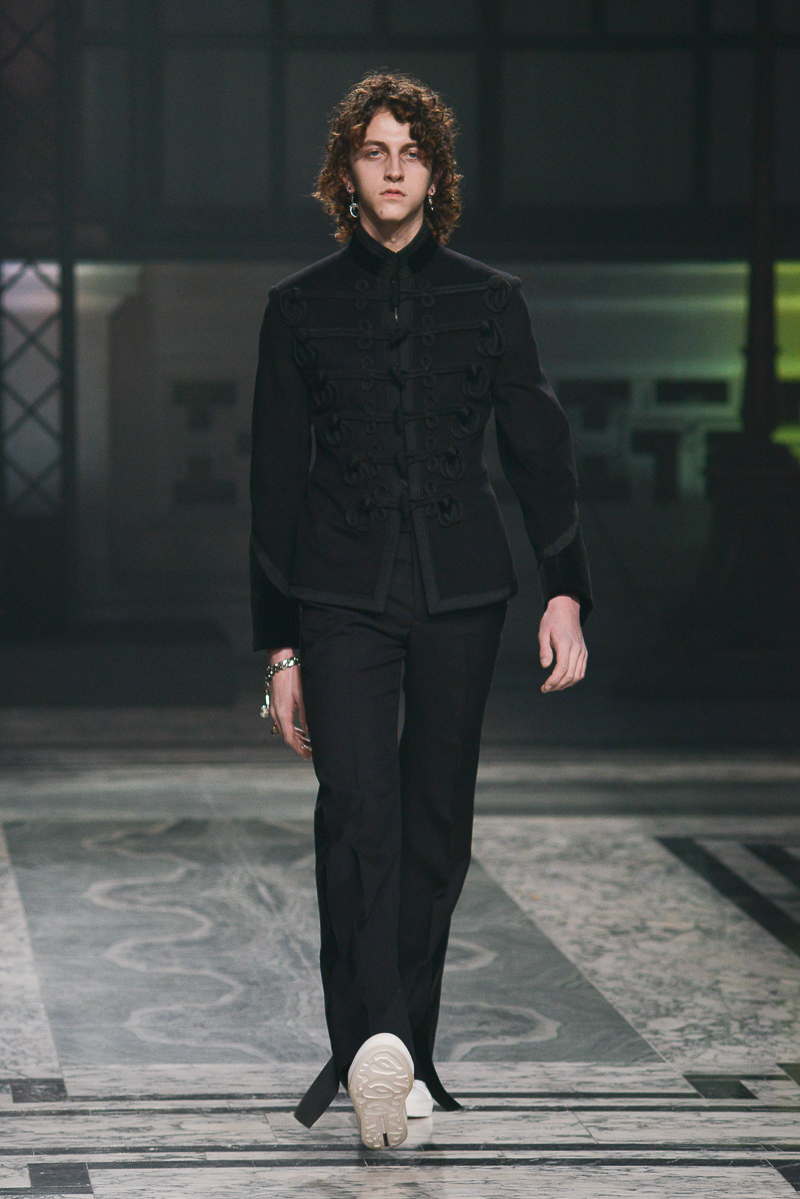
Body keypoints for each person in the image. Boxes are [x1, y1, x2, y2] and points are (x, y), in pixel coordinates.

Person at [250, 73, 591, 1150]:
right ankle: (377, 1049)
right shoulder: (297, 307)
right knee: (358, 813)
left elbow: (538, 449)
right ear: (345, 173)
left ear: (434, 173)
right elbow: (273, 481)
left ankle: (406, 1052)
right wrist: (278, 647)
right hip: (339, 595)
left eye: (411, 150)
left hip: (461, 592)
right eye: (373, 149)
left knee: (436, 826)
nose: (393, 166)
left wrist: (566, 588)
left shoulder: (490, 300)